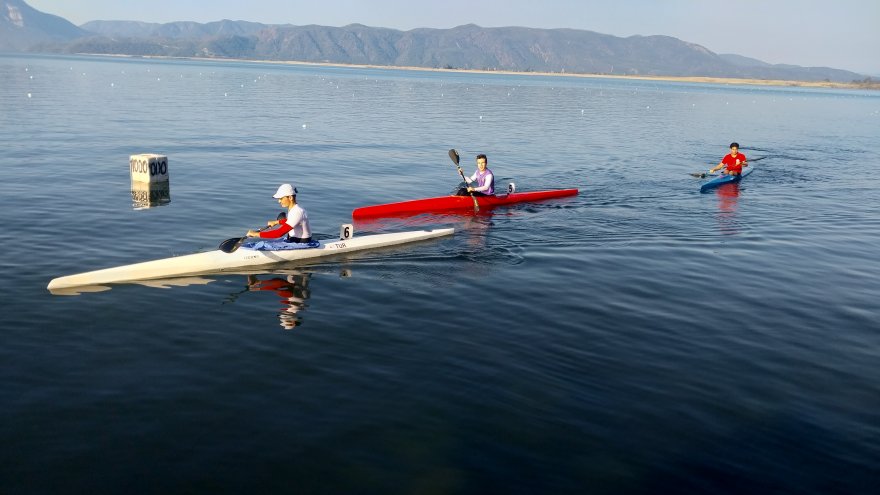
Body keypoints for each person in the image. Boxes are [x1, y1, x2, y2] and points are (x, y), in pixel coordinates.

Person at [247, 183, 312, 243]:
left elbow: (279, 233)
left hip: (301, 243)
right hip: (293, 240)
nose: (279, 201)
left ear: (290, 197)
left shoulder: (297, 212)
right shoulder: (294, 209)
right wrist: (276, 222)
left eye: (281, 198)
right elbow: (291, 221)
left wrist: (256, 234)